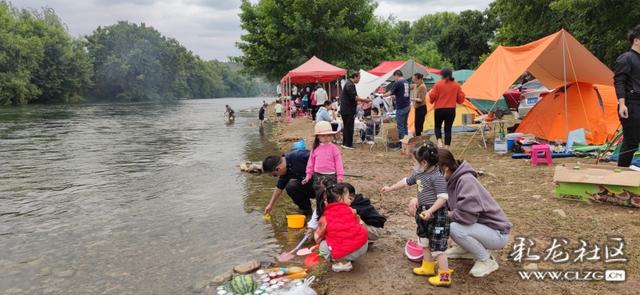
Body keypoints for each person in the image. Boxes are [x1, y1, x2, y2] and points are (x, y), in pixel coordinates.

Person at [381, 141, 452, 287]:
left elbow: (443, 198)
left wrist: (430, 210)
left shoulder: (436, 177)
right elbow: (406, 181)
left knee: (438, 247)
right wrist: (390, 188)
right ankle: (427, 267)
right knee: (424, 241)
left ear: (424, 162)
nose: (413, 164)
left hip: (436, 214)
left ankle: (444, 276)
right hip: (423, 212)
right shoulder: (420, 173)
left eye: (414, 161)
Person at [437, 149, 511, 278]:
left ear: (446, 167)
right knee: (448, 220)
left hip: (497, 233)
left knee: (454, 227)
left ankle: (487, 260)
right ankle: (466, 248)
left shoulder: (466, 181)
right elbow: (443, 203)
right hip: (480, 227)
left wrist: (443, 214)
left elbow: (466, 217)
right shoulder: (449, 180)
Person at [314, 181, 369, 272]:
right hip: (362, 246)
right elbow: (359, 224)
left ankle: (342, 263)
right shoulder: (352, 210)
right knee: (352, 235)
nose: (351, 198)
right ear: (340, 199)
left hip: (344, 250)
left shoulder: (324, 217)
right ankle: (349, 258)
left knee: (323, 246)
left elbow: (318, 237)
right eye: (348, 197)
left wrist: (320, 242)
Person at [307, 181, 386, 243]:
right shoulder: (334, 200)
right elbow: (318, 211)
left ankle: (360, 242)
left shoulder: (355, 206)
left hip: (374, 230)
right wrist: (311, 227)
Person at [302, 121, 344, 214]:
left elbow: (339, 162)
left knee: (331, 195)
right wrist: (308, 175)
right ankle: (320, 214)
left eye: (329, 135)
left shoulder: (334, 148)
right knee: (320, 195)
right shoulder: (315, 148)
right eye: (324, 136)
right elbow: (310, 163)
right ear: (318, 137)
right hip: (318, 176)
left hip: (332, 176)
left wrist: (340, 176)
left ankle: (331, 214)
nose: (327, 138)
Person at [614, 24, 640, 168]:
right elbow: (619, 81)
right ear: (636, 40)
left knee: (632, 141)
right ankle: (621, 173)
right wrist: (622, 104)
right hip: (630, 104)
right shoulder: (626, 58)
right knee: (631, 140)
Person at [262, 149, 314, 216]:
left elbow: (321, 156)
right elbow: (279, 188)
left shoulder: (300, 156)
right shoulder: (285, 170)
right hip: (312, 185)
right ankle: (306, 210)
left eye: (275, 175)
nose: (277, 176)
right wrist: (270, 205)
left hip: (326, 183)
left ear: (278, 169)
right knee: (291, 187)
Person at [429, 68, 465, 149]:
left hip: (439, 109)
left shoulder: (438, 84)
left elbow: (432, 96)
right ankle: (447, 147)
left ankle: (439, 141)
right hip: (451, 110)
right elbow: (461, 99)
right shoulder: (456, 85)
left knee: (437, 126)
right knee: (448, 128)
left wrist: (431, 100)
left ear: (442, 75)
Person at [340, 71, 371, 149]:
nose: (359, 80)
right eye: (359, 78)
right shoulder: (350, 85)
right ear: (355, 77)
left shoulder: (348, 83)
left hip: (345, 109)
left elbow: (354, 96)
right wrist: (365, 100)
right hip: (348, 109)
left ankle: (345, 143)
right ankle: (348, 144)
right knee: (349, 127)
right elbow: (355, 98)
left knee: (346, 126)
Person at [384, 70, 411, 141]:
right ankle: (407, 141)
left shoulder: (398, 82)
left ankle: (402, 142)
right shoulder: (406, 82)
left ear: (396, 75)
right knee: (405, 125)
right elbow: (402, 94)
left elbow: (390, 92)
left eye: (394, 77)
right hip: (407, 105)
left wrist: (382, 95)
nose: (394, 78)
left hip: (401, 106)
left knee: (400, 126)